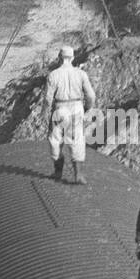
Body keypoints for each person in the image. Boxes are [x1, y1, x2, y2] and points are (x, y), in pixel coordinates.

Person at [42, 45, 95, 184]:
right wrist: (87, 108)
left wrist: (45, 112)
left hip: (60, 108)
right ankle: (78, 175)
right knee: (77, 141)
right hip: (77, 107)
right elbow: (91, 96)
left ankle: (58, 172)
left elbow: (48, 98)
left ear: (59, 58)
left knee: (55, 140)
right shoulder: (81, 74)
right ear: (72, 58)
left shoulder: (53, 75)